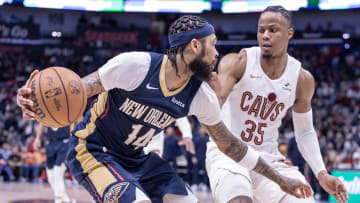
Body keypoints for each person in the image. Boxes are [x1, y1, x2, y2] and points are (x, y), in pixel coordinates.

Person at [17, 15, 311, 203]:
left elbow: (232, 146)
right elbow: (77, 91)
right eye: (213, 46)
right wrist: (35, 102)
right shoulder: (135, 66)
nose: (217, 54)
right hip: (92, 151)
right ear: (194, 46)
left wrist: (280, 179)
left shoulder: (200, 96)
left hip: (138, 159)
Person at [206, 6, 348, 203]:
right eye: (261, 30)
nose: (265, 35)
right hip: (228, 153)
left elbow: (305, 132)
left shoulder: (302, 79)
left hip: (267, 158)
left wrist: (322, 173)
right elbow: (215, 103)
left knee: (304, 200)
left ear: (289, 33)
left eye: (272, 30)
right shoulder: (237, 62)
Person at [34, 124, 73, 203]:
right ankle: (64, 197)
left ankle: (58, 199)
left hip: (64, 142)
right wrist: (37, 138)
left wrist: (73, 141)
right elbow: (41, 123)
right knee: (50, 175)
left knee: (57, 172)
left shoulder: (66, 112)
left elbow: (73, 123)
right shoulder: (47, 112)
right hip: (51, 142)